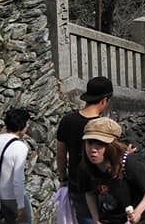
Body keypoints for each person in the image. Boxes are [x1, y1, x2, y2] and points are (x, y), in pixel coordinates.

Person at [57, 76, 114, 223]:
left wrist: (63, 179)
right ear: (104, 100)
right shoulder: (103, 125)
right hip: (102, 185)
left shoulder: (67, 120)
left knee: (84, 219)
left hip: (76, 182)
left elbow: (61, 154)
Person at [80, 117, 145, 224]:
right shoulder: (85, 167)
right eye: (89, 142)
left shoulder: (129, 162)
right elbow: (89, 193)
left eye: (100, 143)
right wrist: (96, 219)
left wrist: (137, 212)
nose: (93, 149)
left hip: (141, 218)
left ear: (112, 146)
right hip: (111, 218)